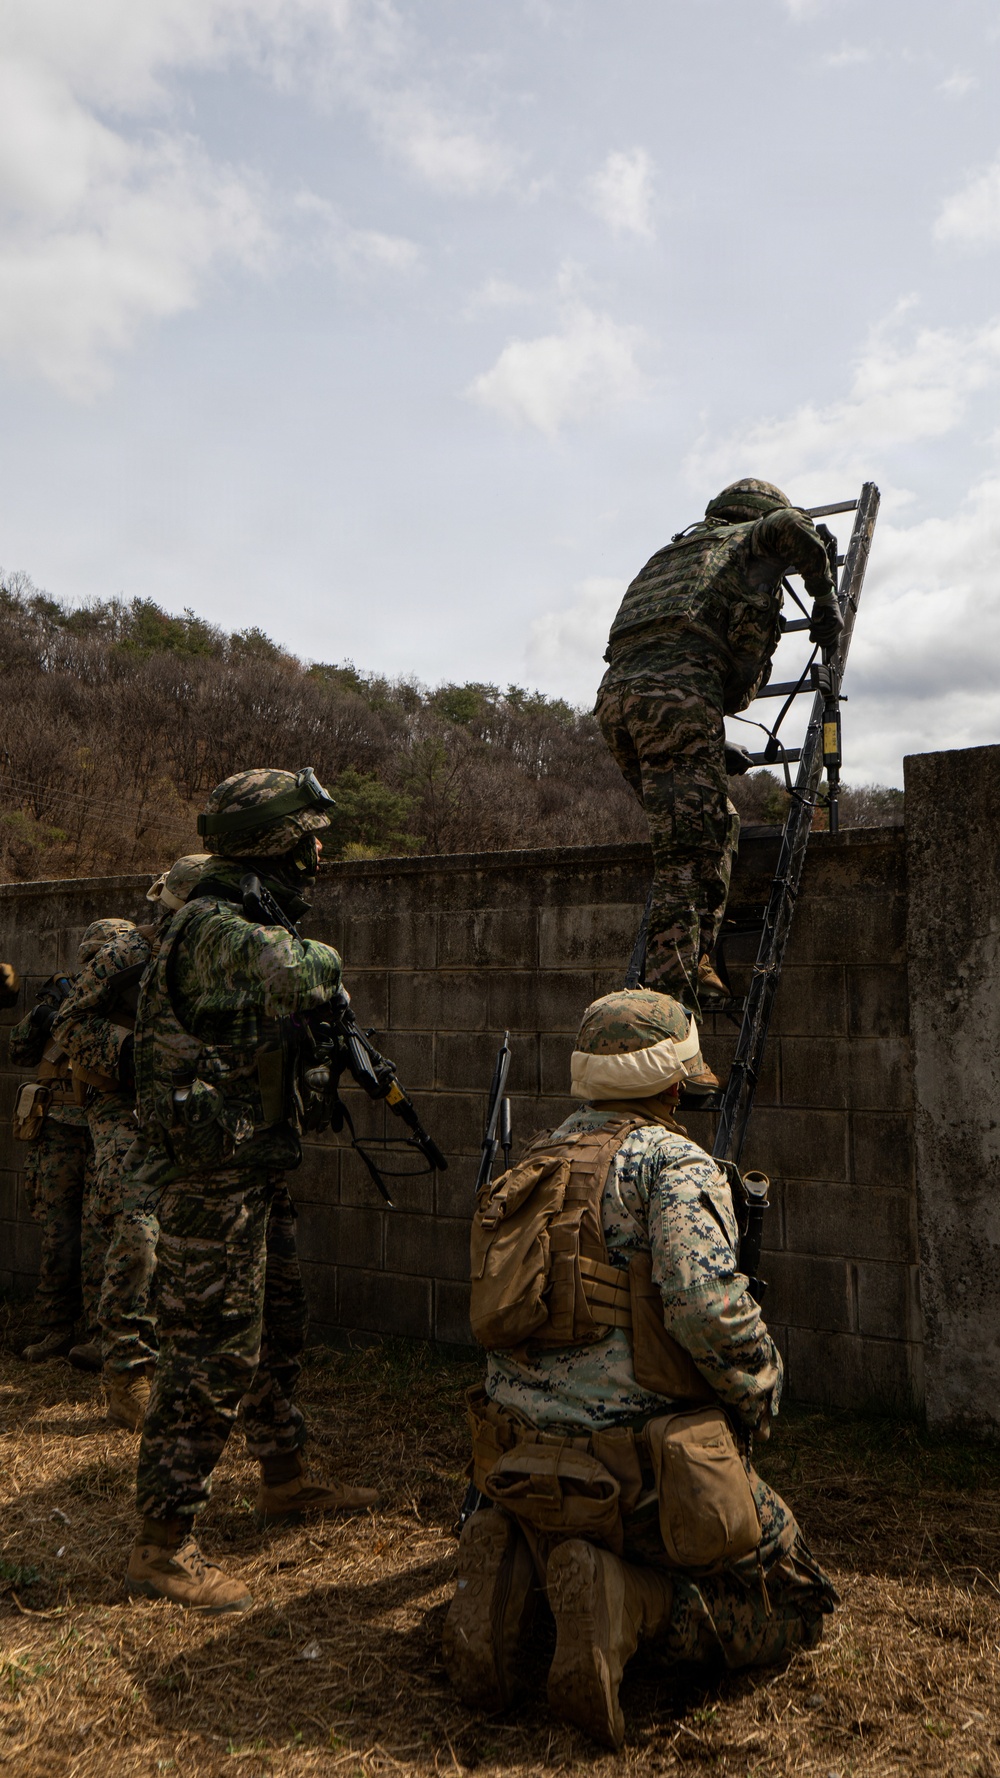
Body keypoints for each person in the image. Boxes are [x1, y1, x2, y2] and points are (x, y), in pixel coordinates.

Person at [444, 987, 836, 1749]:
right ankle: (626, 1602)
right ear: (671, 1080)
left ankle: (517, 1575)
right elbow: (704, 1306)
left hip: (518, 1462)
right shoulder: (674, 1163)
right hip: (638, 1478)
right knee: (796, 1604)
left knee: (566, 1525)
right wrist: (758, 1391)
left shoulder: (535, 1160)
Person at [126, 768, 377, 1612]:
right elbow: (300, 973)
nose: (318, 852)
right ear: (272, 843)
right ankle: (161, 1546)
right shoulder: (210, 923)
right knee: (207, 1357)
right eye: (307, 835)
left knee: (278, 1330)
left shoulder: (234, 918)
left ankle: (284, 1476)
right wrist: (327, 968)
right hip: (210, 1183)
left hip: (250, 1169)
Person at [596, 479, 843, 1014]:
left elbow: (668, 648)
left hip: (617, 704)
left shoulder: (675, 556)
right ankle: (667, 1024)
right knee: (686, 858)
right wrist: (824, 600)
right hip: (677, 703)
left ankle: (700, 959)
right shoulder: (754, 536)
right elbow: (791, 529)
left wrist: (708, 741)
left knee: (718, 822)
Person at [10, 964, 97, 1365]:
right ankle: (56, 1329)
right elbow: (19, 1051)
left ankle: (103, 1334)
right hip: (57, 1132)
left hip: (107, 1129)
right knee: (58, 1234)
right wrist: (42, 1017)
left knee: (104, 1237)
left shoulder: (132, 999)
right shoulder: (59, 1002)